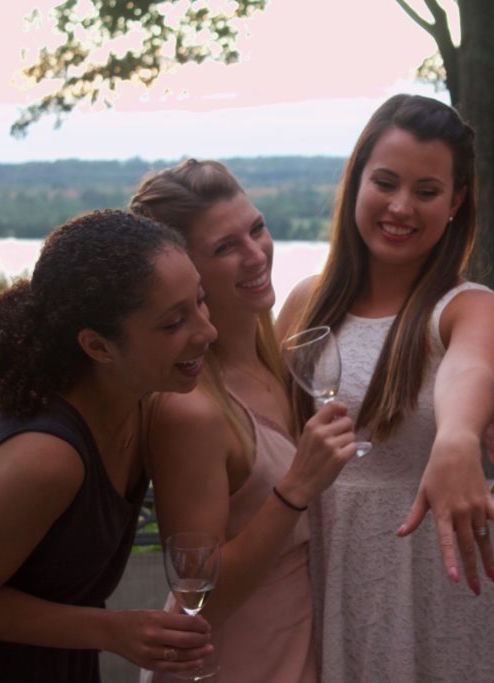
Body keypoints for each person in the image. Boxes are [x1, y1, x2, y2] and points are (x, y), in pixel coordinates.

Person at [0, 210, 218, 682]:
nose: (207, 331)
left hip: (50, 655)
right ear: (98, 346)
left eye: (201, 302)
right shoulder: (48, 459)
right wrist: (113, 630)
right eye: (173, 323)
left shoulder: (137, 404)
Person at [276, 94, 494, 681]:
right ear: (357, 179)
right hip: (323, 583)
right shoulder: (305, 304)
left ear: (456, 203)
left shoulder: (470, 309)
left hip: (441, 594)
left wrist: (457, 440)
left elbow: (471, 372)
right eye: (385, 182)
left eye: (426, 191)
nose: (400, 207)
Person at [129, 159, 358, 683]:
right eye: (225, 248)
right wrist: (297, 487)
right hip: (233, 663)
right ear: (182, 273)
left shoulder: (272, 350)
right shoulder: (191, 408)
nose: (256, 255)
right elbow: (197, 600)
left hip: (294, 646)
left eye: (256, 228)